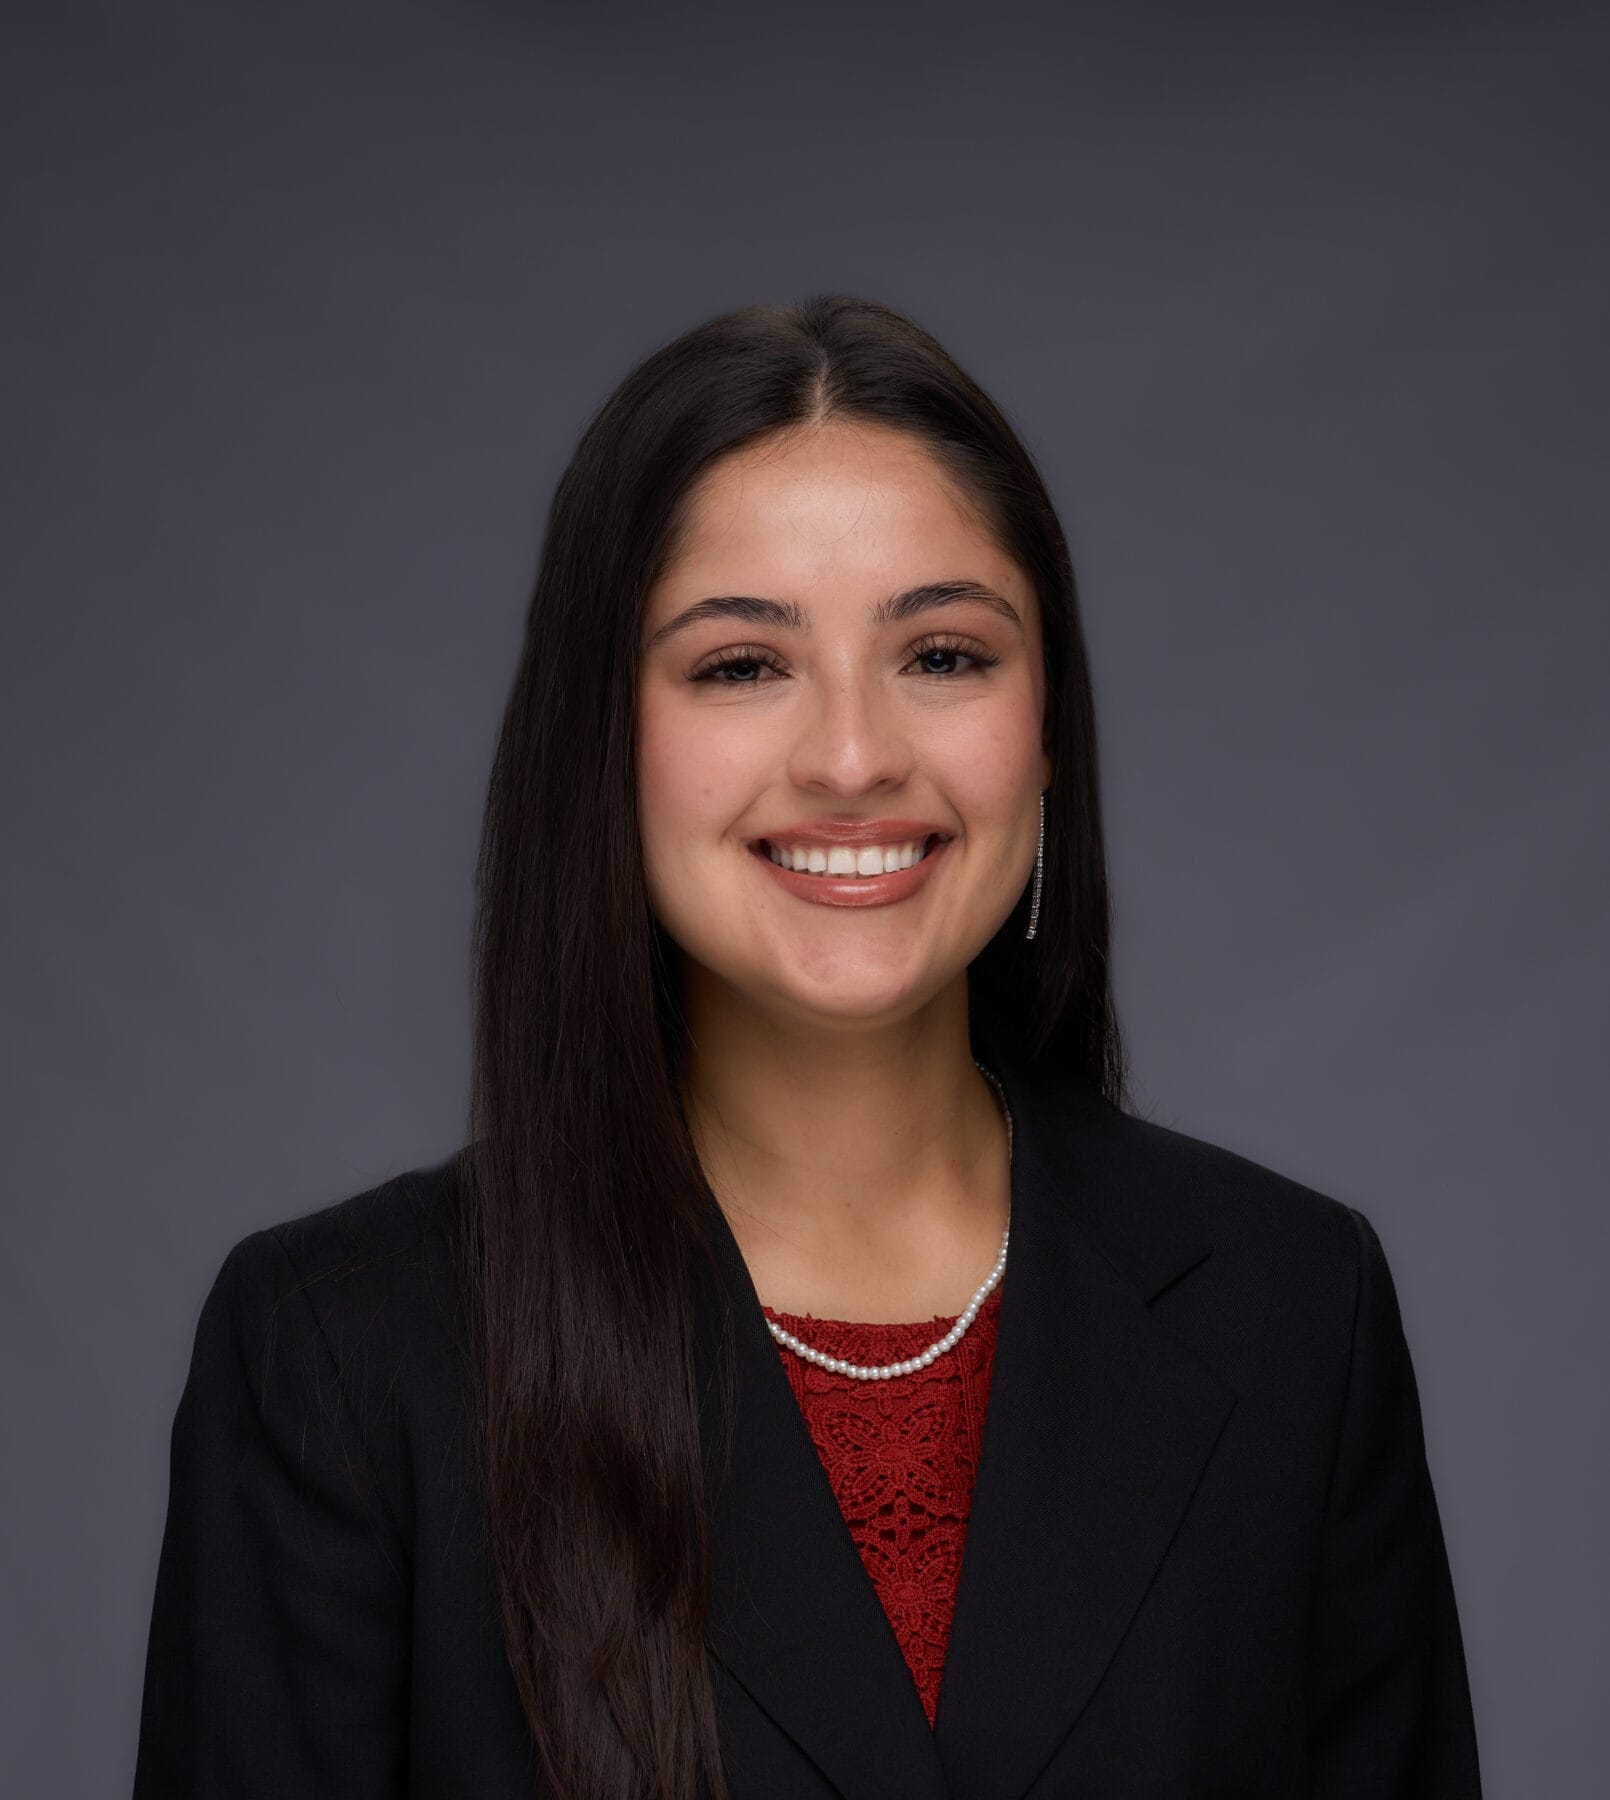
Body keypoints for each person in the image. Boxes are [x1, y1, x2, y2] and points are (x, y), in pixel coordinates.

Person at [132, 294, 1483, 1799]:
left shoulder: (1294, 1312)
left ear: (1045, 737)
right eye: (739, 666)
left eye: (945, 655)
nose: (852, 757)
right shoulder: (341, 1354)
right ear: (601, 740)